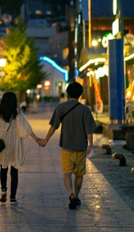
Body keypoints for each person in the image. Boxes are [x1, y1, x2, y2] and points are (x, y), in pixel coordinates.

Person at [39, 82, 97, 210]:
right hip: (81, 147)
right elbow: (89, 130)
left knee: (66, 173)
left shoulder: (61, 107)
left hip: (66, 146)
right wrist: (90, 145)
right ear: (80, 94)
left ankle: (70, 194)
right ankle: (76, 196)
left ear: (67, 93)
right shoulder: (85, 110)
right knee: (79, 174)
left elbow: (53, 126)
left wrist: (45, 140)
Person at [0, 91, 42, 205]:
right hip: (15, 144)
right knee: (14, 170)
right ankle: (13, 197)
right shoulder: (17, 113)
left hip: (3, 143)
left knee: (3, 167)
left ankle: (3, 190)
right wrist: (37, 139)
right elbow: (26, 129)